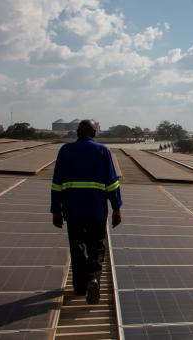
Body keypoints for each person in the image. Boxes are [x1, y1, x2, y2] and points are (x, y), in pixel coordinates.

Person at [50, 120, 122, 305]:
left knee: (77, 246)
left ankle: (81, 287)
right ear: (94, 133)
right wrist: (116, 208)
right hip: (96, 210)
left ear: (77, 133)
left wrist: (55, 211)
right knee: (97, 247)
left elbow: (57, 183)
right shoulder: (103, 151)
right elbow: (112, 183)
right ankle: (93, 278)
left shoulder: (65, 151)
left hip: (72, 210)